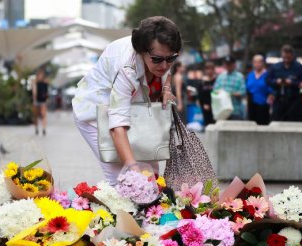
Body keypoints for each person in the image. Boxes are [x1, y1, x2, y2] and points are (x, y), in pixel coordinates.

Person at [72, 16, 181, 185]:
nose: (164, 66)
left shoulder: (161, 54)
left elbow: (166, 68)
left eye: (171, 59)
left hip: (134, 109)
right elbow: (117, 127)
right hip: (95, 112)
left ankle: (146, 209)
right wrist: (132, 168)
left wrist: (166, 88)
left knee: (152, 175)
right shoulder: (126, 68)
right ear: (142, 51)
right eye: (157, 60)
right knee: (122, 180)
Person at [266, 45, 302, 122]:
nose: (286, 60)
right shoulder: (275, 67)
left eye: (288, 58)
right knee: (276, 121)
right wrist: (276, 81)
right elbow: (267, 80)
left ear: (292, 56)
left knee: (294, 122)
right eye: (284, 57)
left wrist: (293, 83)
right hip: (279, 99)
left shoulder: (298, 67)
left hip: (294, 100)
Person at [246, 55, 273, 125]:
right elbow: (247, 89)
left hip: (263, 104)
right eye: (255, 62)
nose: (257, 64)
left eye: (259, 62)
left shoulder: (268, 75)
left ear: (263, 63)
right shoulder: (250, 75)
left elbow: (272, 90)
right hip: (251, 104)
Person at [32, 69, 49, 136]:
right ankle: (36, 128)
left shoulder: (45, 83)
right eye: (39, 75)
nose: (40, 76)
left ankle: (44, 129)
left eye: (41, 75)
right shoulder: (35, 83)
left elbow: (47, 92)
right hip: (36, 101)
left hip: (43, 101)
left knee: (43, 115)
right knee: (35, 116)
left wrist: (47, 99)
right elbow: (33, 93)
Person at [199, 61, 216, 125]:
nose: (210, 71)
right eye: (208, 69)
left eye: (211, 68)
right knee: (208, 124)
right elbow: (200, 95)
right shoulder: (202, 81)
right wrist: (204, 104)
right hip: (206, 106)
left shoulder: (216, 80)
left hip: (215, 105)